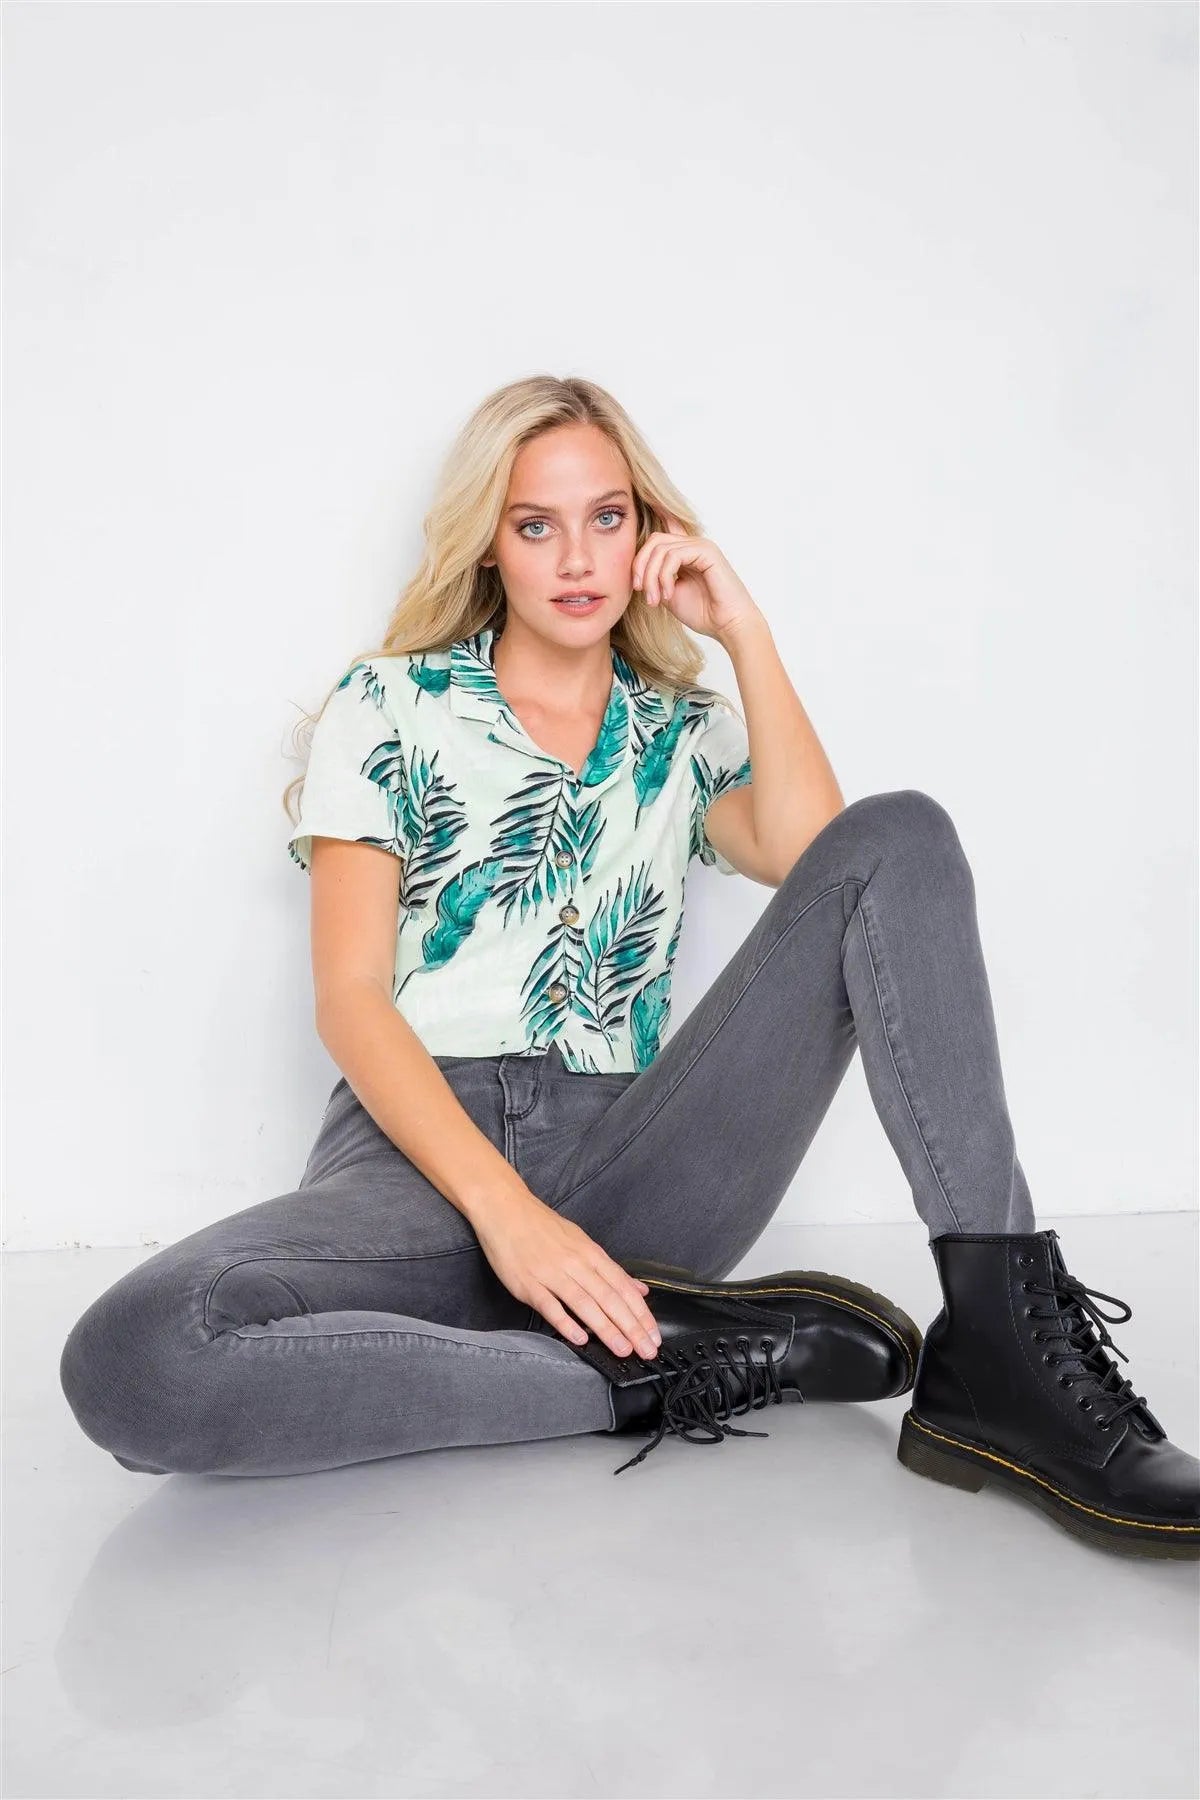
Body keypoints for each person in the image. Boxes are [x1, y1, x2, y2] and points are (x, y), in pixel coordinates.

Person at [60, 376, 1198, 1560]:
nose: (576, 557)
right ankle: (659, 1370)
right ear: (488, 544)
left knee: (901, 832)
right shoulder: (390, 705)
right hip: (421, 1167)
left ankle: (1002, 1351)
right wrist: (509, 1220)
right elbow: (349, 1000)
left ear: (646, 530)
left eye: (607, 517)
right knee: (135, 1360)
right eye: (535, 524)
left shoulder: (680, 730)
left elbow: (833, 867)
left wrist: (744, 631)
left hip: (641, 1178)